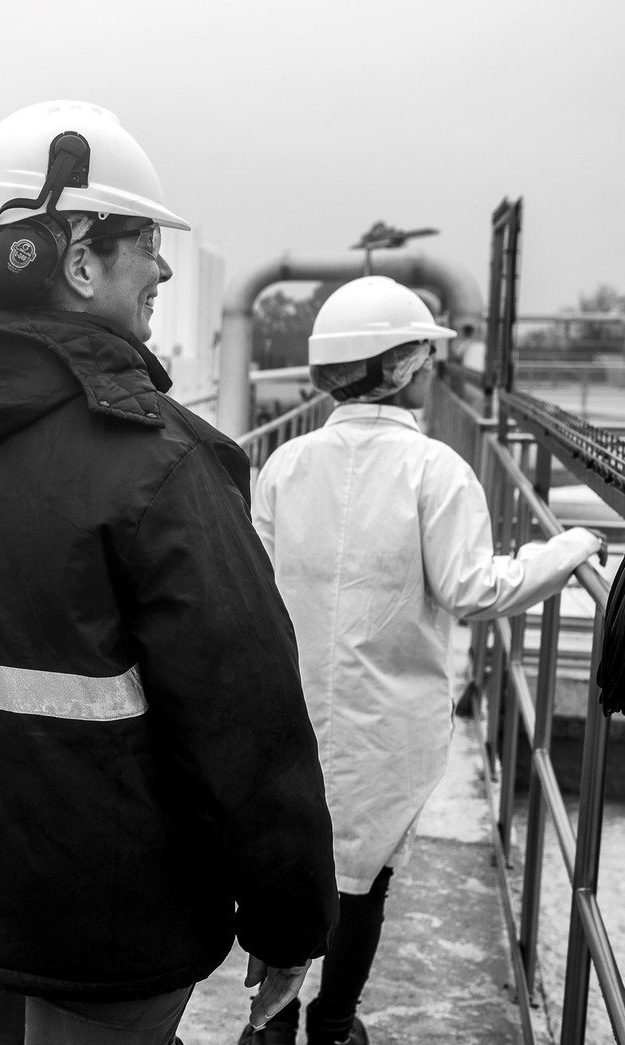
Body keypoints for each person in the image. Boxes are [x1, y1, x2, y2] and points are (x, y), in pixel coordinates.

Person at [0, 99, 337, 1045]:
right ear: (73, 261)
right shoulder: (158, 465)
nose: (160, 265)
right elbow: (247, 721)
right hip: (110, 929)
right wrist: (289, 921)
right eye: (142, 240)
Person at [250, 275, 603, 1045]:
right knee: (362, 881)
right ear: (403, 366)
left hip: (290, 708)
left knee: (285, 865)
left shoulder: (283, 465)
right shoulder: (435, 469)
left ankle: (268, 1021)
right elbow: (474, 588)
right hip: (387, 723)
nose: (434, 370)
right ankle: (333, 1022)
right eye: (425, 357)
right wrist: (567, 548)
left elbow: (258, 587)